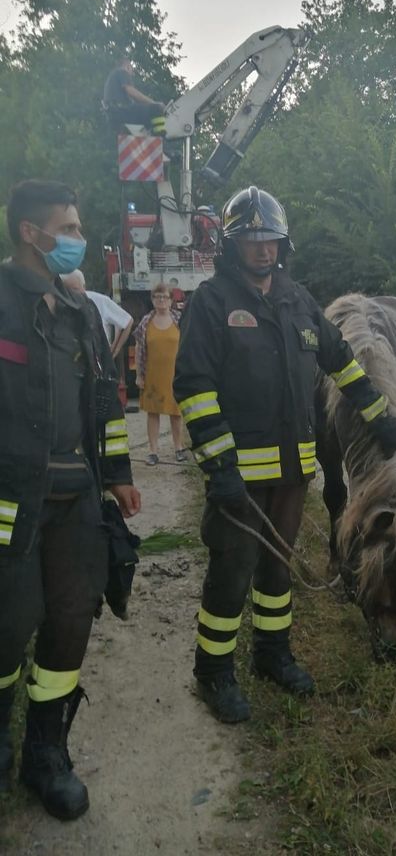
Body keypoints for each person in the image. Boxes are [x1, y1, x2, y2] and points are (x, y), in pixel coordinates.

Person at [173, 186, 396, 724]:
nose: (263, 248)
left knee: (277, 571)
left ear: (284, 243)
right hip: (238, 476)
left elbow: (342, 364)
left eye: (271, 238)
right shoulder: (212, 303)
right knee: (232, 573)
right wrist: (219, 466)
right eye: (252, 239)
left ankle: (271, 654)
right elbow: (193, 386)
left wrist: (381, 418)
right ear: (232, 246)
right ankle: (213, 671)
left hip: (292, 471)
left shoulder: (298, 300)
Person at [0, 180, 141, 820]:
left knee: (70, 622)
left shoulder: (81, 312)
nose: (79, 240)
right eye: (71, 228)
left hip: (76, 502)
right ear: (32, 234)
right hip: (12, 503)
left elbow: (105, 404)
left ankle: (45, 752)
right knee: (10, 626)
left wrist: (117, 473)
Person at [133, 283, 187, 464]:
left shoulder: (180, 319)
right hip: (152, 375)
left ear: (171, 300)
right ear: (152, 300)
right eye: (157, 297)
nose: (161, 300)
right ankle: (153, 451)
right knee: (152, 413)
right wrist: (139, 375)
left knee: (176, 413)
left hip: (175, 375)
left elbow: (188, 345)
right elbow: (139, 347)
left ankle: (179, 448)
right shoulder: (146, 322)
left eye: (165, 297)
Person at [62, 269, 134, 360]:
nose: (71, 294)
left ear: (83, 286)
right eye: (67, 289)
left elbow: (127, 321)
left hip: (98, 360)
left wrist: (114, 351)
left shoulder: (99, 300)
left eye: (75, 289)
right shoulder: (58, 305)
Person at [102, 56, 166, 135]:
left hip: (113, 115)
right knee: (156, 109)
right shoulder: (122, 72)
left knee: (145, 118)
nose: (132, 72)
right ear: (127, 66)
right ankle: (160, 136)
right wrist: (153, 103)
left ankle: (148, 134)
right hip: (122, 110)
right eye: (131, 68)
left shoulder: (112, 78)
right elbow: (132, 92)